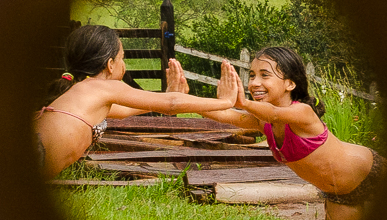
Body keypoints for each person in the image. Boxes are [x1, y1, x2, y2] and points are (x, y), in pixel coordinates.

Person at [188, 47, 386, 220]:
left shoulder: (303, 112)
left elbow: (273, 113)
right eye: (253, 75)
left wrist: (242, 102)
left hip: (372, 172)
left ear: (290, 84)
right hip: (341, 194)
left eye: (265, 75)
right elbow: (224, 115)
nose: (255, 83)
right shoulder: (261, 122)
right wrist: (184, 99)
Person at [34, 24, 238, 179]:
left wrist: (166, 94)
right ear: (110, 64)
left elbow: (126, 110)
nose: (124, 65)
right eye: (122, 58)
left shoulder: (83, 91)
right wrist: (226, 102)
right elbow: (172, 104)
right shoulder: (102, 85)